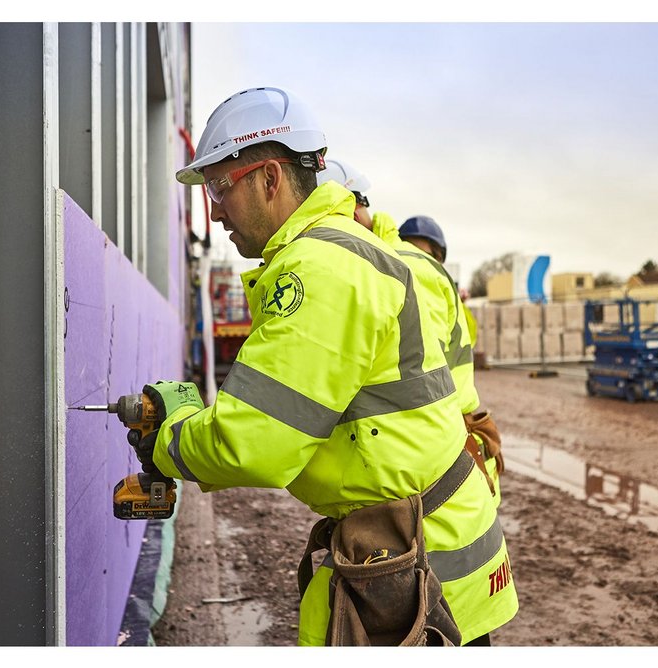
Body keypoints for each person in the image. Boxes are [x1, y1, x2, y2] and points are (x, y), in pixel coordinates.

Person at [136, 86, 515, 646]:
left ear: (269, 178)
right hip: (434, 550)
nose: (214, 213)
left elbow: (256, 442)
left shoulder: (319, 269)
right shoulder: (343, 254)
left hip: (421, 572)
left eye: (220, 187)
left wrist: (167, 442)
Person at [318, 161, 516, 644]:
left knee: (450, 618)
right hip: (453, 456)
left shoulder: (396, 268)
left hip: (437, 484)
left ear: (360, 209)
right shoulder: (403, 265)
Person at [398, 215, 507, 507]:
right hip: (459, 422)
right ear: (439, 253)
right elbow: (467, 339)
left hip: (431, 426)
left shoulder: (400, 268)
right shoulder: (437, 279)